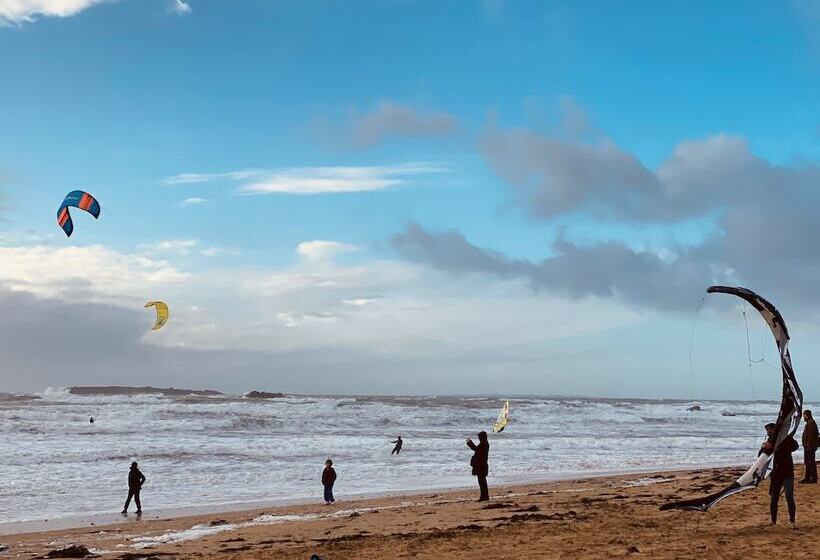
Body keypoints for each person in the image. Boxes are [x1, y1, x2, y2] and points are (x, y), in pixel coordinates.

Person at [760, 423, 799, 527]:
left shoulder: (784, 438)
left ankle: (792, 521)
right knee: (774, 497)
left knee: (789, 496)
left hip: (787, 472)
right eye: (767, 430)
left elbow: (795, 446)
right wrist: (764, 447)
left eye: (770, 430)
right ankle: (773, 521)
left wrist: (785, 440)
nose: (768, 432)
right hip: (775, 473)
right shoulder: (768, 442)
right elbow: (760, 456)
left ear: (775, 430)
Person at [466, 431, 490, 501]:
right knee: (482, 481)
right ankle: (484, 496)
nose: (479, 438)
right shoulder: (485, 443)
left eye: (479, 437)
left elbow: (476, 449)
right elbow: (477, 449)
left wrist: (469, 442)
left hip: (481, 465)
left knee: (482, 482)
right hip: (482, 465)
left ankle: (484, 497)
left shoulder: (484, 444)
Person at [800, 410, 819, 484]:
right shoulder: (810, 422)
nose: (803, 417)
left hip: (810, 446)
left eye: (803, 415)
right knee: (808, 462)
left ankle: (812, 479)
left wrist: (808, 445)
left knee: (810, 463)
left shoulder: (810, 423)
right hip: (809, 446)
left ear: (806, 415)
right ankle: (807, 478)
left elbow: (811, 435)